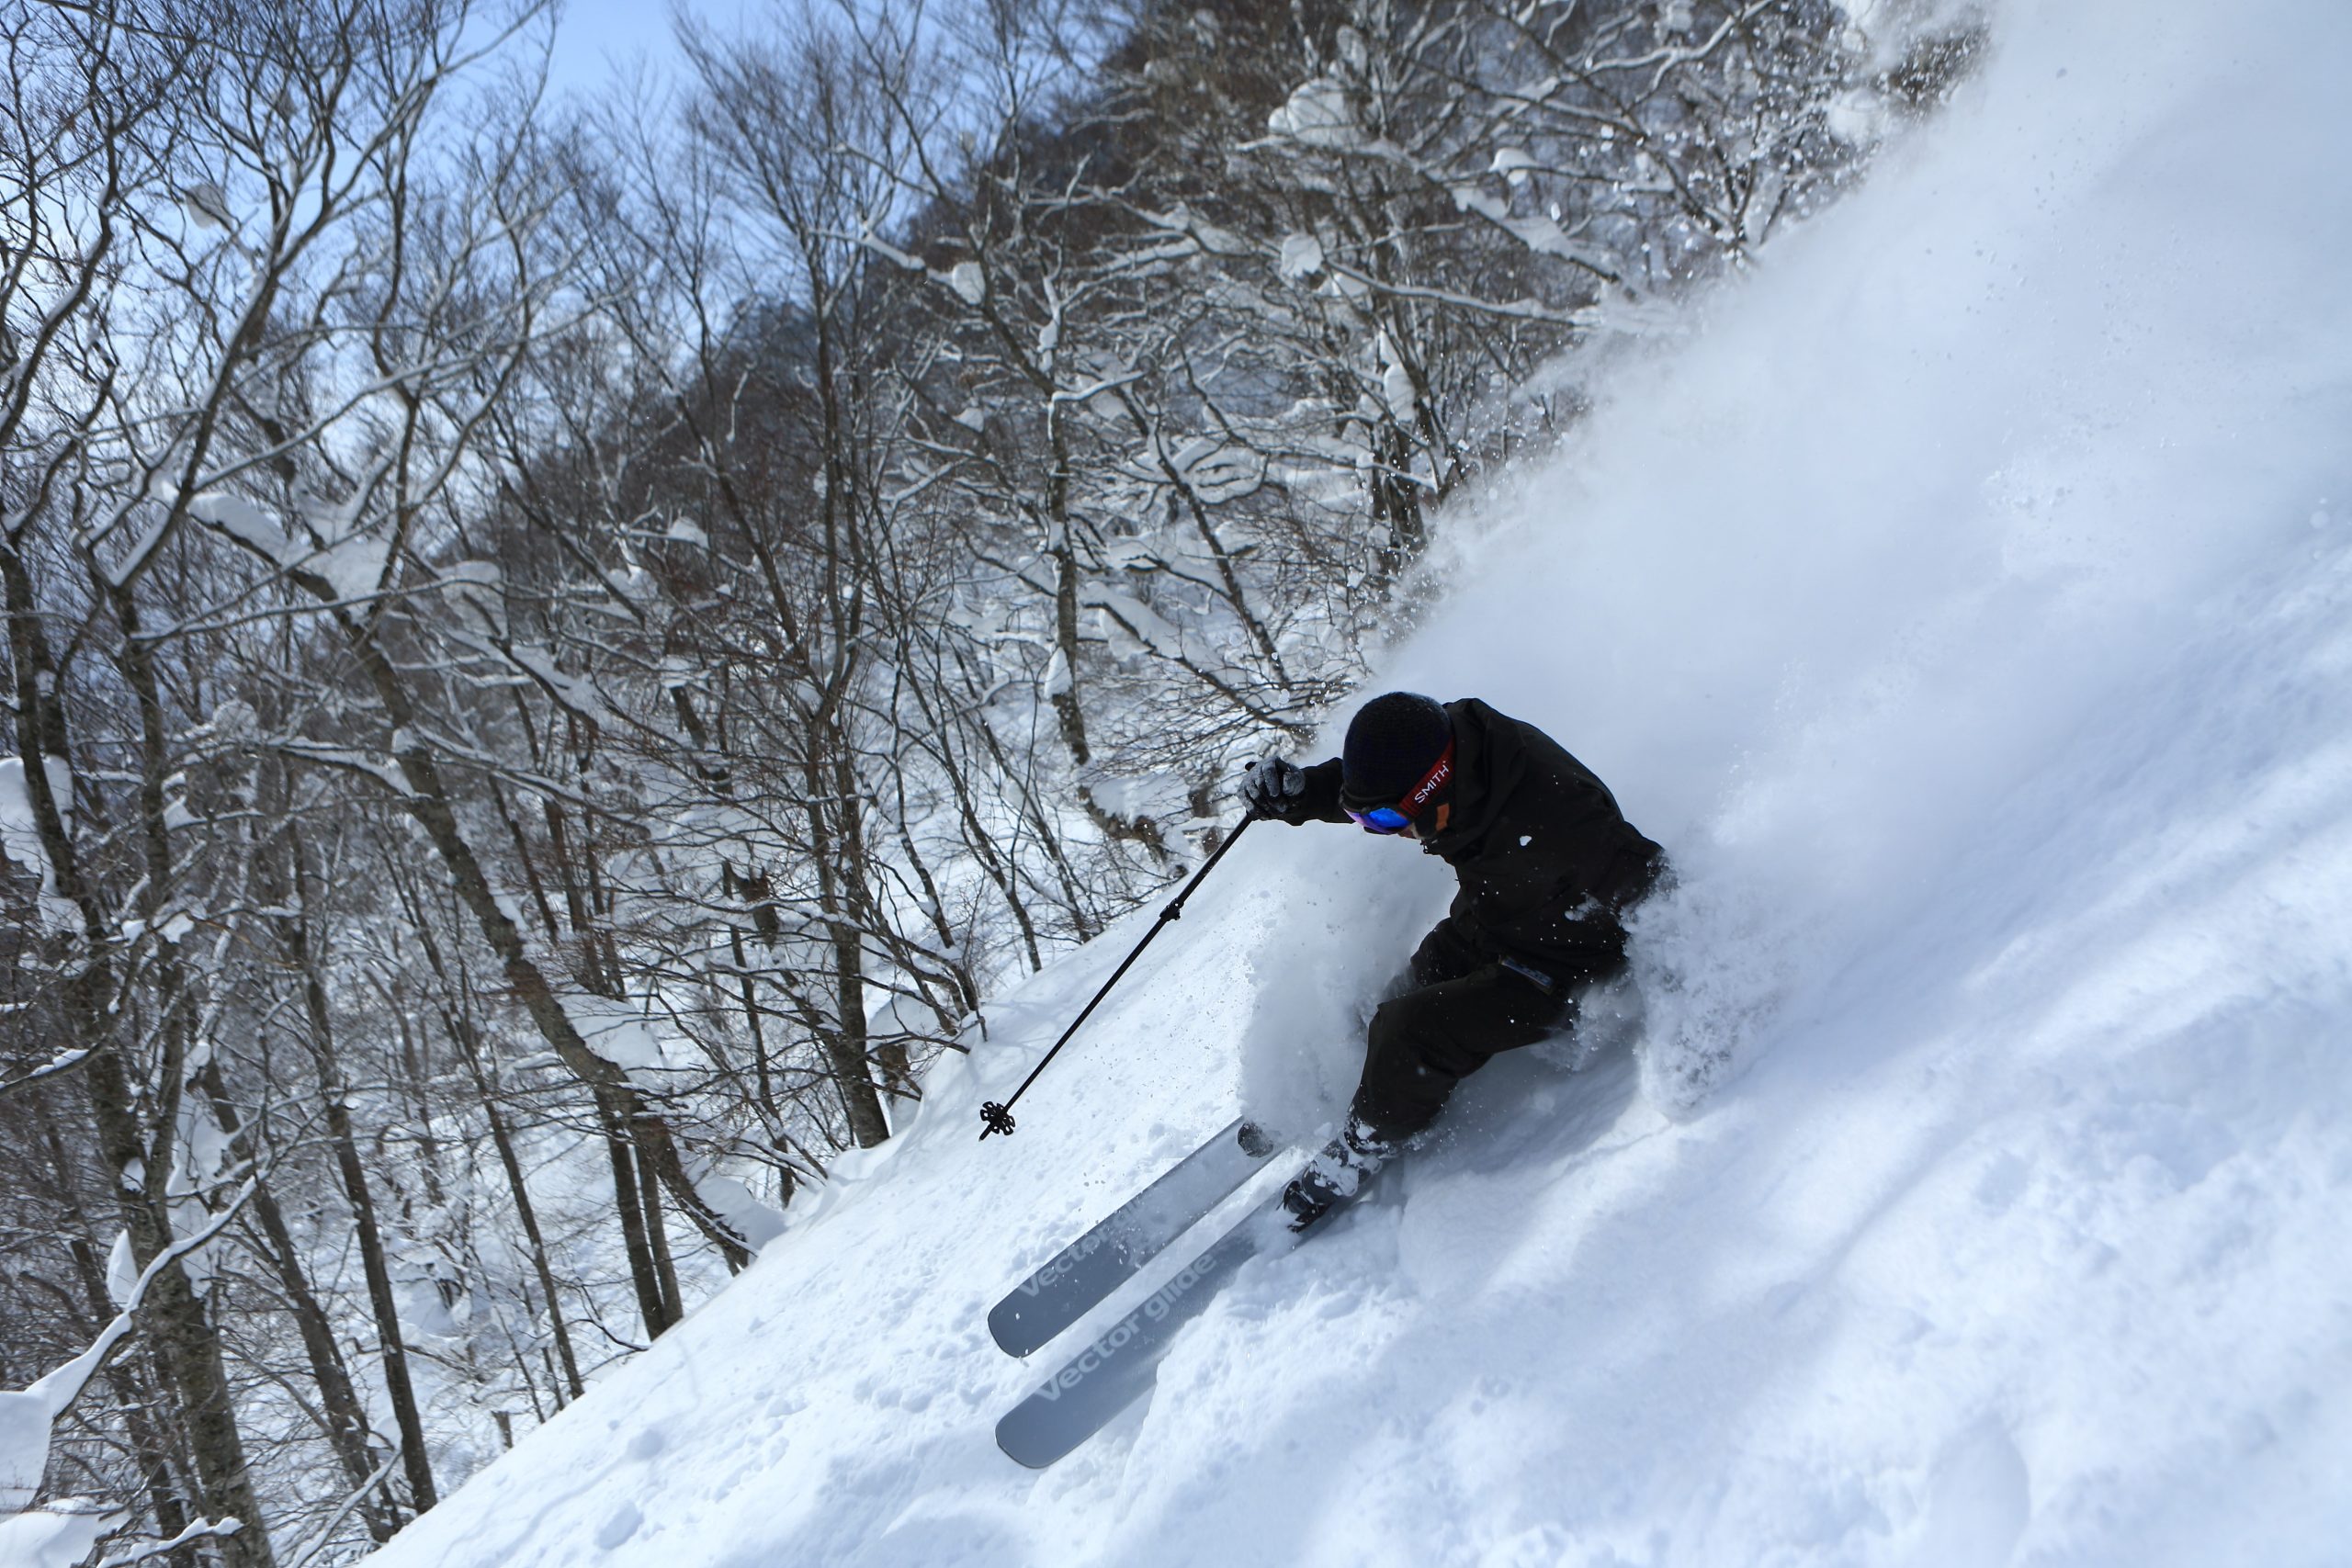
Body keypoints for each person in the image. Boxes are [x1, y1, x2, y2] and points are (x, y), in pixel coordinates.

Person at [1240, 691, 1667, 1224]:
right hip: (1498, 917)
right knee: (1397, 995)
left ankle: (1366, 1142)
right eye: (1366, 820)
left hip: (1564, 969)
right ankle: (1357, 1080)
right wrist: (1301, 795)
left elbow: (1660, 890)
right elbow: (1374, 785)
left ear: (1433, 789)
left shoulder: (1559, 815)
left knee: (1411, 1028)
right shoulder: (1452, 749)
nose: (1378, 830)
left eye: (1387, 822)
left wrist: (1687, 997)